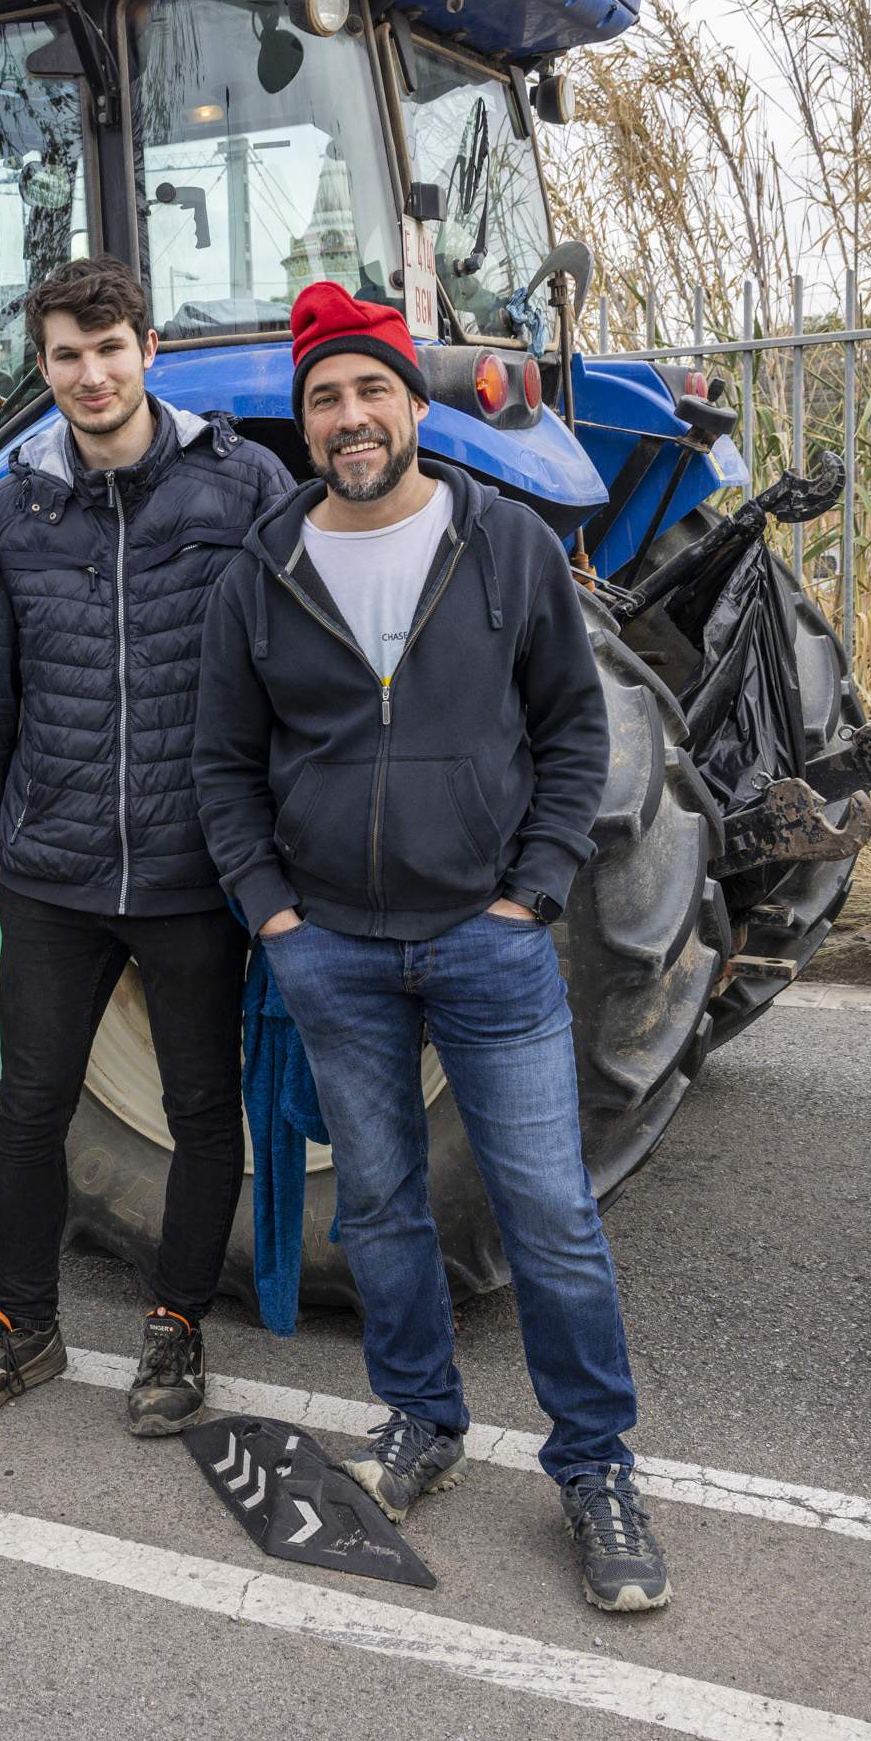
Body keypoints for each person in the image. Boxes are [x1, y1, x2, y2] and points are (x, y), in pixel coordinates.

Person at [192, 282, 673, 1613]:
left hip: (486, 942)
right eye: (325, 399)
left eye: (371, 390)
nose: (351, 417)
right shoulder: (266, 568)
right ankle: (420, 1415)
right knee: (386, 1208)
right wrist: (274, 918)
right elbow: (222, 765)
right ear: (303, 425)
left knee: (552, 1215)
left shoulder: (505, 543)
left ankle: (597, 1466)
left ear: (413, 401)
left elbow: (575, 729)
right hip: (332, 950)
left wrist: (533, 889)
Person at [0, 257, 290, 1436]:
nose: (91, 374)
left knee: (200, 1112)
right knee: (24, 1110)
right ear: (45, 367)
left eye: (109, 348)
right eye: (67, 356)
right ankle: (22, 1326)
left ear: (149, 350)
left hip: (189, 869)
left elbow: (299, 673)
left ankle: (176, 1332)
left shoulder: (244, 487)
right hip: (53, 870)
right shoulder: (17, 512)